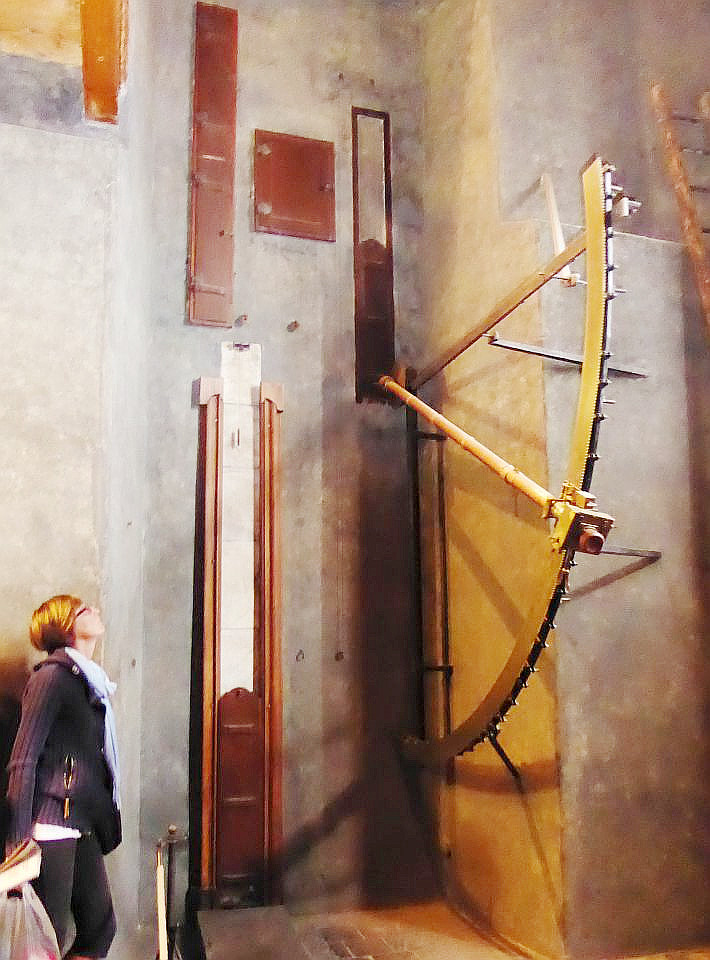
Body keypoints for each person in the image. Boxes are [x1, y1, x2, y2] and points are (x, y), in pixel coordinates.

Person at [6, 595, 121, 958]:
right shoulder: (51, 678)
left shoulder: (88, 681)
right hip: (52, 824)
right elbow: (23, 759)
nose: (95, 611)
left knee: (100, 927)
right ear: (65, 625)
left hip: (81, 822)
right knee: (47, 935)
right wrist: (18, 843)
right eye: (84, 610)